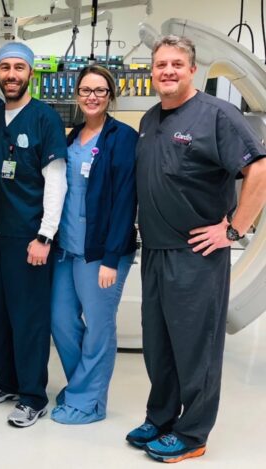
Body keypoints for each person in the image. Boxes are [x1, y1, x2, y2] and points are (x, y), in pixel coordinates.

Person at [127, 35, 266, 463]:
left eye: (176, 64)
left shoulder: (216, 115)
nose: (167, 71)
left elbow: (258, 168)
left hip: (196, 256)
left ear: (191, 70)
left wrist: (234, 229)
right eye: (160, 64)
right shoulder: (151, 119)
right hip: (154, 251)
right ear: (152, 72)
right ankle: (162, 416)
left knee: (195, 347)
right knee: (160, 343)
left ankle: (192, 433)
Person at [0, 42, 68, 427]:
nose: (11, 74)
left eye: (18, 67)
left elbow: (56, 181)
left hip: (31, 238)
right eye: (5, 67)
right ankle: (6, 381)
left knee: (29, 319)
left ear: (31, 73)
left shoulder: (44, 118)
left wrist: (45, 236)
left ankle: (32, 395)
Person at [50, 65, 138, 425]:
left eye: (100, 91)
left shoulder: (122, 137)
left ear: (110, 96)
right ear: (76, 94)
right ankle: (82, 389)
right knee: (60, 320)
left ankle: (89, 402)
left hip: (102, 252)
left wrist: (111, 258)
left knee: (99, 327)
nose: (92, 96)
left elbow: (124, 201)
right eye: (86, 90)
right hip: (67, 249)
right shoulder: (71, 138)